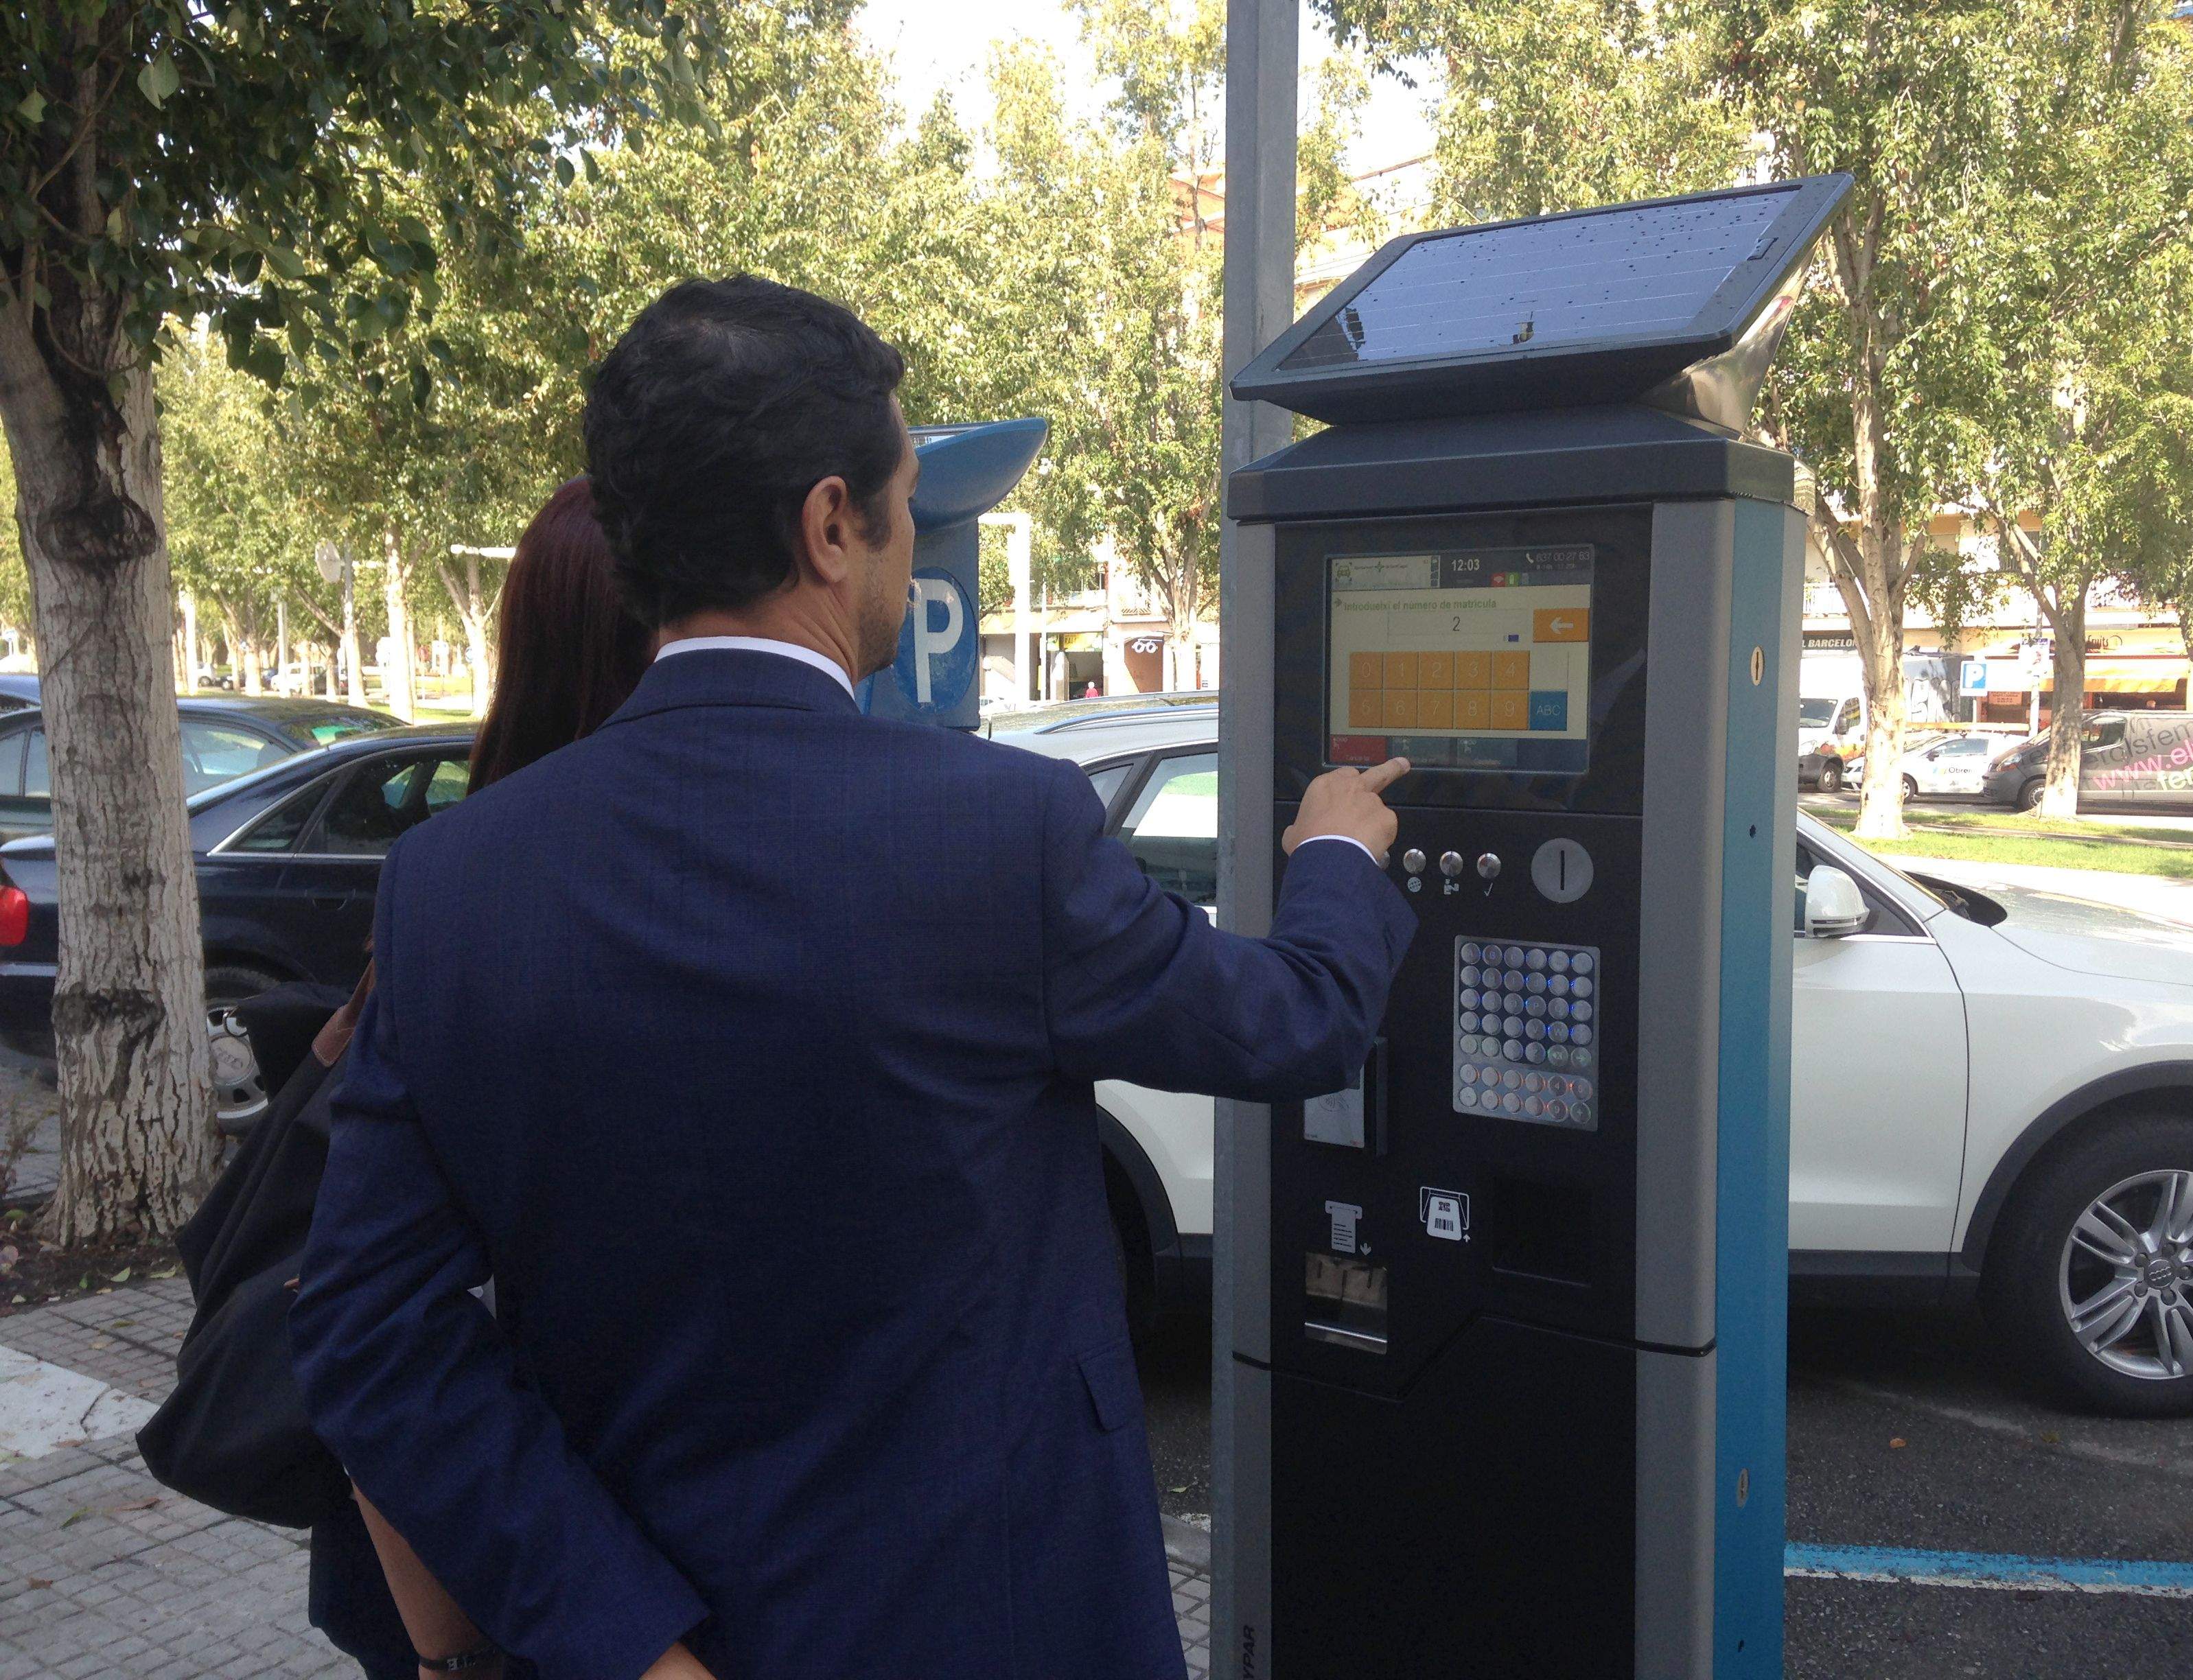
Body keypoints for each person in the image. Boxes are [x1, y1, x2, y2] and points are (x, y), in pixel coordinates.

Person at [289, 275, 1414, 1680]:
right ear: (831, 525)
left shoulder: (458, 886)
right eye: (902, 500)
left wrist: (631, 1646)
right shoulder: (1000, 836)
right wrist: (1336, 860)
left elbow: (362, 1332)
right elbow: (1296, 1021)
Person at [302, 476, 651, 1679]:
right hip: (482, 1568)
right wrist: (453, 1653)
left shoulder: (454, 890)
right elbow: (385, 1327)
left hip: (494, 1550)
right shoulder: (494, 912)